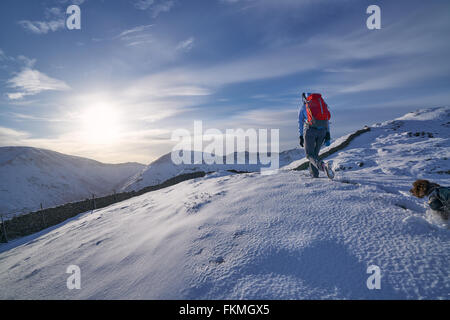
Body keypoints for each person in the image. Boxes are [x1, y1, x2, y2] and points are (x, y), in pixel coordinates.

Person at [298, 92, 334, 179]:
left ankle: (323, 166)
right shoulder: (322, 106)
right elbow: (326, 121)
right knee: (314, 155)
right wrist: (328, 134)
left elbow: (300, 123)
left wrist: (301, 136)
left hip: (310, 131)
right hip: (322, 132)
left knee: (309, 155)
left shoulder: (304, 107)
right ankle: (315, 175)